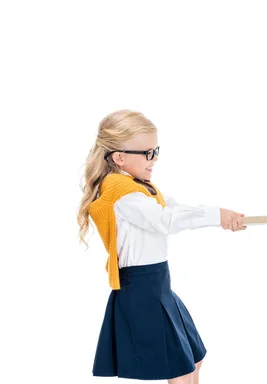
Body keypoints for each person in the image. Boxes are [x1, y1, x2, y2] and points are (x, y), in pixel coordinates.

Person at [77, 110, 245, 383]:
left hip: (159, 285)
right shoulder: (122, 193)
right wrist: (216, 216)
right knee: (179, 369)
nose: (154, 159)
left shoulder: (137, 186)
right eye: (147, 153)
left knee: (193, 359)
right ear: (119, 157)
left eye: (155, 150)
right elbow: (165, 220)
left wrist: (220, 216)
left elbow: (172, 207)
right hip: (143, 290)